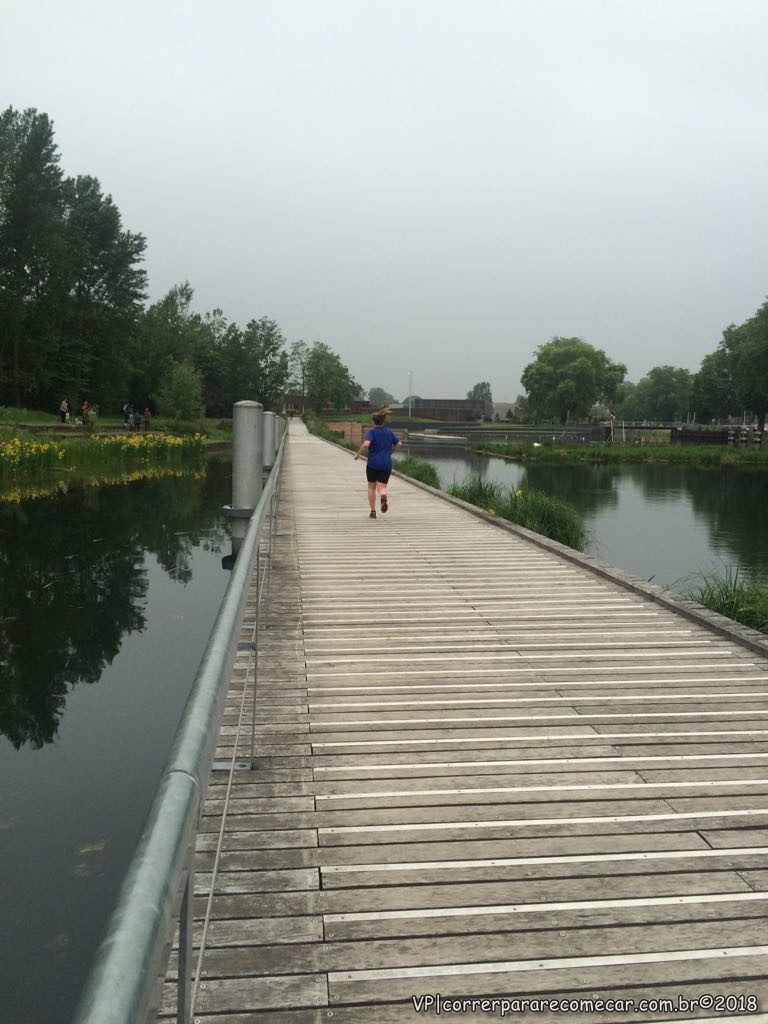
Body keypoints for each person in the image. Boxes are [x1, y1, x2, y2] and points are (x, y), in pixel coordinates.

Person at [353, 409, 401, 518]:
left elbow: (366, 444)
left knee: (371, 487)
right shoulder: (389, 432)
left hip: (373, 464)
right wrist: (390, 452)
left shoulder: (372, 432)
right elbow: (399, 443)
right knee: (382, 486)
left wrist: (357, 455)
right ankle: (383, 496)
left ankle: (373, 511)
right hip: (386, 464)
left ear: (374, 422)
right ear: (383, 421)